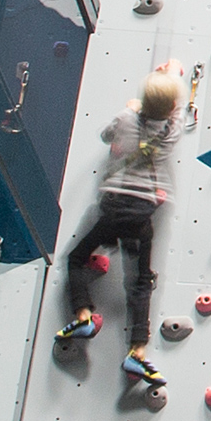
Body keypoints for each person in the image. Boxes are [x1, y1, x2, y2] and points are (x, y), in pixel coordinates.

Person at [56, 65, 184, 390]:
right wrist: (170, 82)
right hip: (142, 214)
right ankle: (137, 351)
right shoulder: (171, 132)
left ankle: (83, 316)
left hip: (113, 208)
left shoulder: (126, 119)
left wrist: (131, 108)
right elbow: (177, 114)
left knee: (76, 258)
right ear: (170, 108)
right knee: (141, 282)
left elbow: (105, 136)